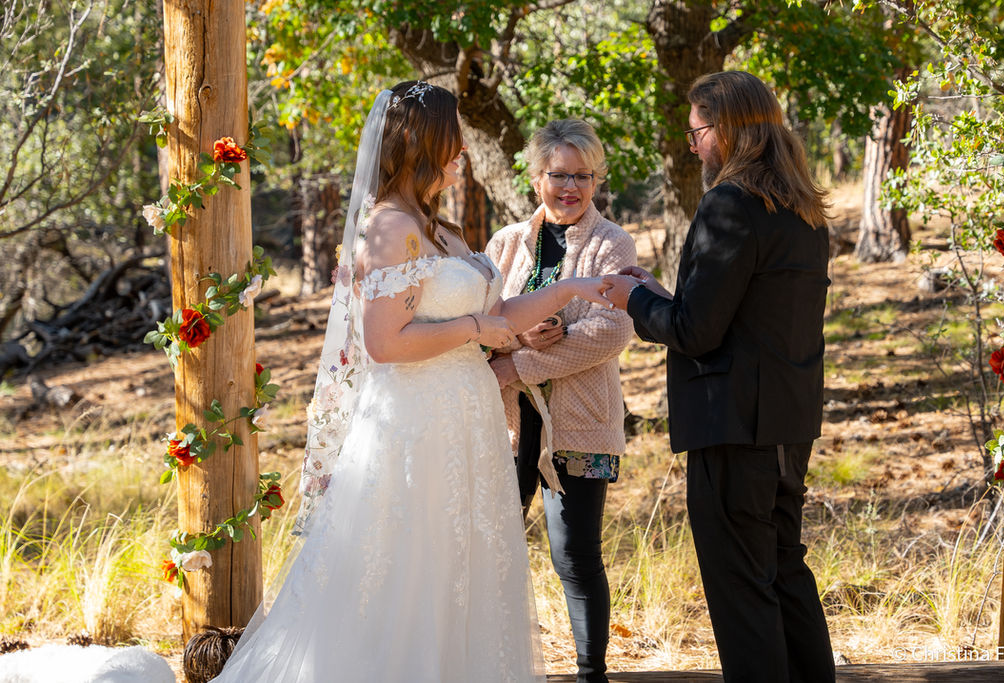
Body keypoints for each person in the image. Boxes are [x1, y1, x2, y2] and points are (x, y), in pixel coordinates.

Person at [211, 81, 611, 682]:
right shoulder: (389, 227)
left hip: (468, 421)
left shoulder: (441, 228)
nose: (463, 152)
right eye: (454, 140)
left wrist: (575, 289)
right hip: (415, 425)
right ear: (423, 145)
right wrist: (475, 329)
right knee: (409, 566)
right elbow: (384, 341)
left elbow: (501, 314)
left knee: (460, 567)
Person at [603, 71, 836, 682]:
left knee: (741, 584)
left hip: (734, 423)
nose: (693, 146)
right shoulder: (802, 209)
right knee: (784, 566)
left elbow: (696, 331)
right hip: (787, 418)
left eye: (698, 132)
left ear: (729, 130)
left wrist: (631, 300)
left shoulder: (730, 202)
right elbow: (742, 316)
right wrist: (658, 295)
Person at [485, 119, 636, 683]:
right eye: (559, 175)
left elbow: (611, 331)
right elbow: (482, 323)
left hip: (581, 423)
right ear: (536, 179)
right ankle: (493, 667)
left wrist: (518, 363)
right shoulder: (505, 244)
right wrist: (518, 337)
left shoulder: (612, 243)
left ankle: (591, 674)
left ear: (596, 180)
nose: (570, 187)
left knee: (574, 556)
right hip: (505, 423)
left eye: (582, 176)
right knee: (491, 550)